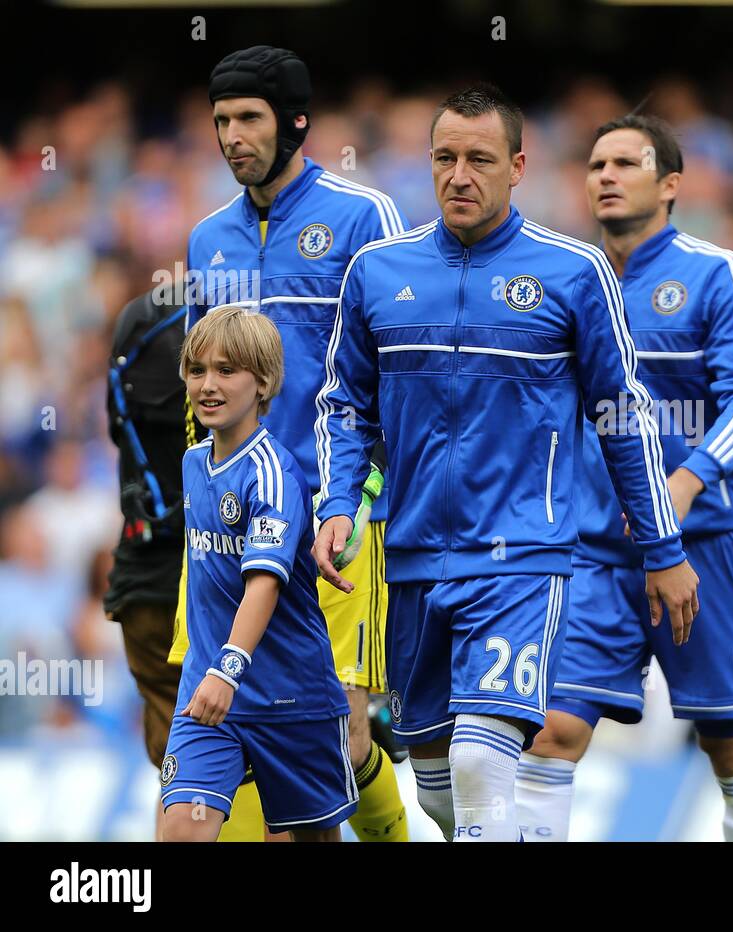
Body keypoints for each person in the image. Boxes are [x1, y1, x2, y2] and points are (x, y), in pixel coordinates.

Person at [312, 84, 698, 842]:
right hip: (412, 557)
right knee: (439, 790)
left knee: (480, 763)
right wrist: (336, 504)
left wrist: (661, 548)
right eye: (445, 158)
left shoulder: (572, 273)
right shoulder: (376, 272)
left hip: (522, 555)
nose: (460, 175)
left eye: (480, 159)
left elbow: (624, 417)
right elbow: (343, 406)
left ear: (517, 166)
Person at [513, 114, 733, 842]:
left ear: (670, 185)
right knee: (549, 732)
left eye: (624, 164)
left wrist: (688, 482)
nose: (604, 175)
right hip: (595, 553)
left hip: (703, 545)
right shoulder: (567, 280)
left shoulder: (714, 272)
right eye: (595, 164)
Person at [177, 45, 408, 841]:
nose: (232, 136)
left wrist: (363, 501)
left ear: (296, 122)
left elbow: (395, 381)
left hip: (333, 522)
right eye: (221, 121)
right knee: (228, 727)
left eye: (249, 118)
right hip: (233, 527)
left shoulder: (362, 217)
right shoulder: (207, 238)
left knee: (342, 737)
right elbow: (195, 390)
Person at [161, 305, 355, 842]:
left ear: (264, 381)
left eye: (227, 370)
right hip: (209, 692)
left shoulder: (274, 474)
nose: (208, 384)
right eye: (197, 370)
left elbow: (264, 583)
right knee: (181, 831)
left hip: (290, 698)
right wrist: (212, 671)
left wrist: (229, 669)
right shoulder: (193, 463)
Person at [104, 291, 191, 840]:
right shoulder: (235, 399)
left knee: (178, 764)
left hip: (140, 583)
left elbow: (117, 426)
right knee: (259, 751)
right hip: (214, 584)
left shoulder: (131, 338)